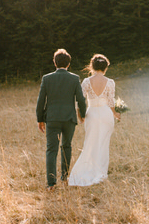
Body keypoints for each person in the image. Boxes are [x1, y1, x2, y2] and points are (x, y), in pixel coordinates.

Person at [36, 48, 87, 190]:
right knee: (66, 146)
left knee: (51, 150)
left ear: (54, 63)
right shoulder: (75, 78)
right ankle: (64, 177)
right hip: (69, 118)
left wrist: (40, 119)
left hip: (52, 119)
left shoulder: (46, 78)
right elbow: (81, 100)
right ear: (68, 64)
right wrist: (82, 114)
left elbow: (41, 101)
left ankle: (51, 183)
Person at [68, 53, 121, 186]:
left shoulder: (86, 81)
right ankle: (101, 172)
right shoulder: (110, 82)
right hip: (105, 114)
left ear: (92, 66)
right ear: (105, 68)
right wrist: (115, 114)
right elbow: (111, 102)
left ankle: (89, 170)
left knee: (90, 143)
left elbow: (80, 100)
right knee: (103, 143)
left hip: (91, 114)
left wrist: (81, 116)